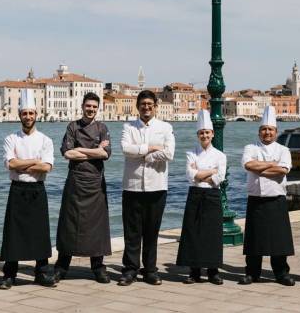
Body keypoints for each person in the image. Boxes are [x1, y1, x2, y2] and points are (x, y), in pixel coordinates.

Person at [0, 89, 56, 290]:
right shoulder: (10, 139)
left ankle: (41, 273)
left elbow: (47, 167)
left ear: (36, 115)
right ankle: (9, 274)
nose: (28, 117)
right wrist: (33, 161)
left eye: (31, 113)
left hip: (38, 189)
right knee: (13, 233)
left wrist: (21, 163)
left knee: (40, 232)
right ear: (20, 115)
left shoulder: (45, 140)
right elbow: (11, 164)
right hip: (17, 188)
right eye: (25, 113)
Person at [118, 90, 175, 286]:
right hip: (132, 186)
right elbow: (126, 149)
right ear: (138, 106)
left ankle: (150, 269)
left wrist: (145, 155)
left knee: (152, 231)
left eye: (150, 104)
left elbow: (169, 153)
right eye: (143, 104)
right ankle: (130, 269)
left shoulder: (165, 127)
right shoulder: (128, 127)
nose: (146, 107)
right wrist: (150, 148)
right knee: (131, 231)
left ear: (155, 106)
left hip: (157, 186)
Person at [55, 92, 112, 284]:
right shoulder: (73, 126)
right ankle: (61, 267)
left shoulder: (102, 128)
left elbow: (105, 155)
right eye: (88, 106)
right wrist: (95, 151)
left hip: (96, 184)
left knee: (97, 227)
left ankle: (98, 267)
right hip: (75, 182)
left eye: (94, 107)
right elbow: (67, 154)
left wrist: (81, 150)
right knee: (69, 225)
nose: (91, 109)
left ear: (98, 108)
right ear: (82, 106)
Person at [240, 106, 295, 286]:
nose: (267, 132)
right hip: (256, 198)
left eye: (270, 129)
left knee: (279, 239)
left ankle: (281, 273)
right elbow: (248, 166)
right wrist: (271, 164)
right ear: (259, 132)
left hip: (276, 199)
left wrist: (260, 168)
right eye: (264, 129)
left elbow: (282, 171)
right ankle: (252, 273)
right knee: (254, 239)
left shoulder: (283, 150)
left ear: (276, 132)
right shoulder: (250, 147)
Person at [176, 110, 226, 285]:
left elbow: (219, 178)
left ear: (212, 134)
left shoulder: (221, 155)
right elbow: (190, 176)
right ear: (197, 135)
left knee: (212, 234)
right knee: (193, 232)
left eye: (207, 132)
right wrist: (210, 171)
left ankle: (213, 272)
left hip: (212, 194)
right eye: (201, 133)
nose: (204, 135)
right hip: (195, 193)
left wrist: (201, 173)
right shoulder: (191, 153)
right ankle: (194, 271)